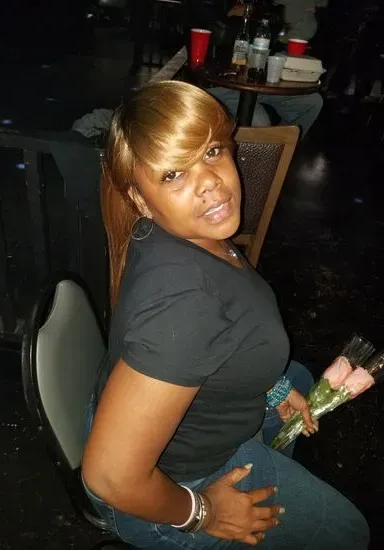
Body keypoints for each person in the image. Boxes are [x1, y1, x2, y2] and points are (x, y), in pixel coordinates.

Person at [82, 80, 370, 549]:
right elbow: (111, 476)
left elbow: (225, 338)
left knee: (294, 376)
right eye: (174, 175)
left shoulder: (183, 234)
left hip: (174, 424)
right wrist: (204, 512)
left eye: (212, 152)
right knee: (348, 535)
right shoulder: (186, 304)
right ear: (139, 198)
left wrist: (273, 386)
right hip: (172, 490)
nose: (210, 182)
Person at [187, 0, 324, 138]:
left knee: (312, 102)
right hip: (222, 84)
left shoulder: (265, 9)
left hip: (258, 82)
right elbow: (202, 20)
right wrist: (232, 12)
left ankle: (281, 146)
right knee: (260, 124)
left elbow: (275, 34)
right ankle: (264, 146)